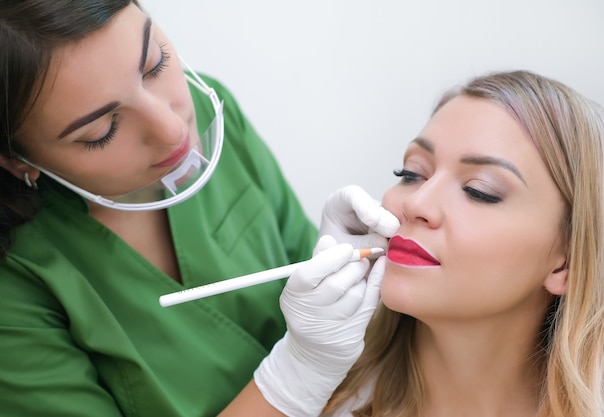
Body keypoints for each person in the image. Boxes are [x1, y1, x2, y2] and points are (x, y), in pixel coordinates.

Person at [0, 1, 399, 416]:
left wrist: (347, 278)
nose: (173, 130)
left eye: (155, 65)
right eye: (103, 130)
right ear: (16, 159)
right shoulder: (17, 284)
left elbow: (312, 282)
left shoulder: (207, 112)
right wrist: (294, 381)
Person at [323, 70, 604, 417]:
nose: (417, 203)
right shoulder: (322, 400)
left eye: (479, 190)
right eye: (411, 173)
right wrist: (295, 374)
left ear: (566, 263)